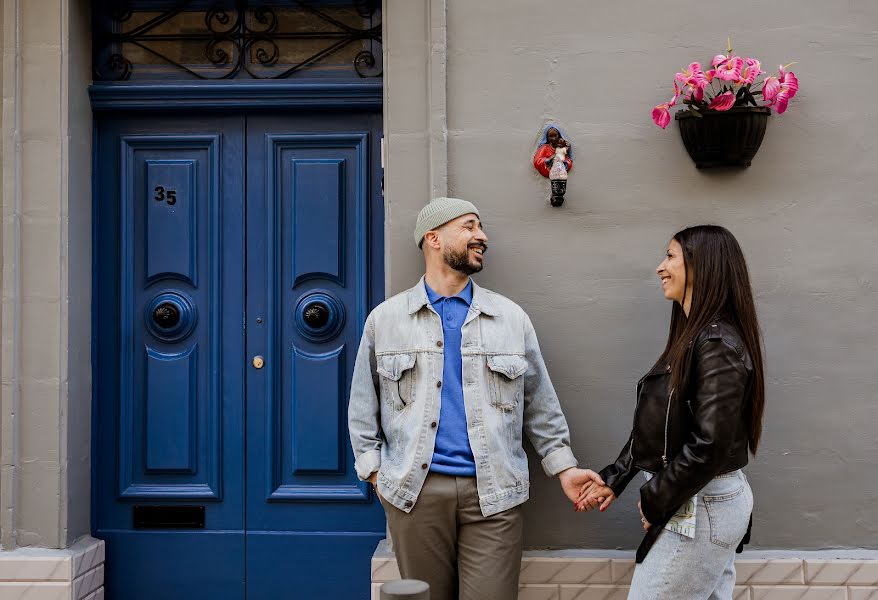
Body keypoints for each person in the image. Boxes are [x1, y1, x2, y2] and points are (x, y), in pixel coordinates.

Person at [348, 197, 604, 600]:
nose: (481, 236)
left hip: (495, 493)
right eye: (468, 226)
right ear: (433, 238)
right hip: (415, 494)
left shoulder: (510, 318)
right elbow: (363, 411)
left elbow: (540, 405)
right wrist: (378, 475)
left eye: (480, 227)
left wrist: (564, 469)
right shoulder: (386, 320)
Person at [578, 225, 765, 600]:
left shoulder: (716, 344)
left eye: (670, 256)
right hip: (699, 500)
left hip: (703, 504)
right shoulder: (692, 337)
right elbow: (660, 422)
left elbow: (710, 444)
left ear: (702, 266)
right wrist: (616, 476)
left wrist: (655, 497)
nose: (660, 267)